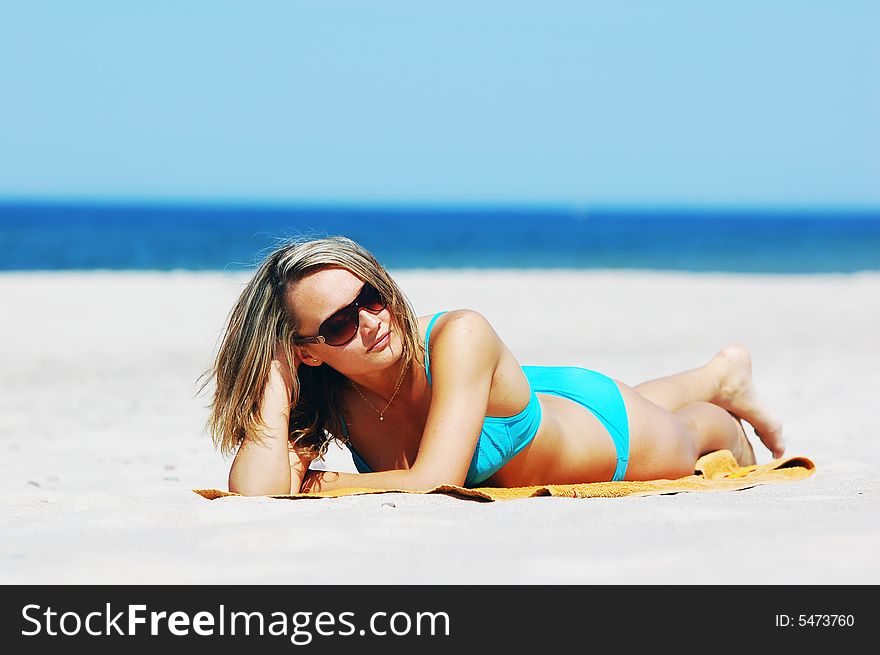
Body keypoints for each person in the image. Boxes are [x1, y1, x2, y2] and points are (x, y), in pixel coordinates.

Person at [202, 236, 784, 496]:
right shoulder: (328, 395)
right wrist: (276, 395)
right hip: (518, 400)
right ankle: (719, 372)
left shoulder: (461, 333)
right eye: (338, 325)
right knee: (648, 397)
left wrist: (330, 484)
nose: (372, 321)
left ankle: (721, 397)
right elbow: (256, 497)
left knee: (687, 431)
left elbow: (436, 482)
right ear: (306, 351)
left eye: (371, 297)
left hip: (609, 432)